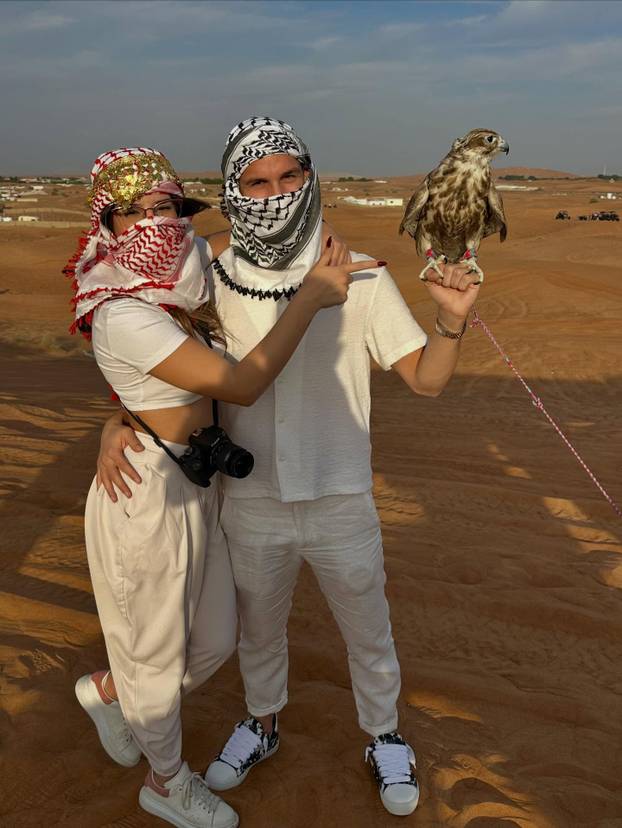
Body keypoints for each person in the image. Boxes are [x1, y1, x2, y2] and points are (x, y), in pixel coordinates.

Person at [97, 118, 482, 818]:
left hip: (341, 498)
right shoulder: (207, 279)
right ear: (235, 190)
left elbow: (424, 379)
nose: (275, 193)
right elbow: (156, 362)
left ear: (310, 177)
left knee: (368, 629)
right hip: (250, 497)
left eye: (289, 176)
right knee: (257, 632)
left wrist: (451, 321)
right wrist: (118, 419)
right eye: (256, 181)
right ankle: (262, 723)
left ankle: (383, 733)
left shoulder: (359, 276)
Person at [69, 145, 378, 828]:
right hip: (144, 493)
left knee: (214, 638)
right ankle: (167, 783)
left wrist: (117, 416)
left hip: (198, 481)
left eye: (166, 209)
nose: (155, 224)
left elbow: (257, 227)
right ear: (109, 226)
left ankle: (112, 691)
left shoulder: (177, 282)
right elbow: (239, 382)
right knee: (154, 650)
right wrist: (314, 299)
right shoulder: (121, 309)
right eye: (137, 213)